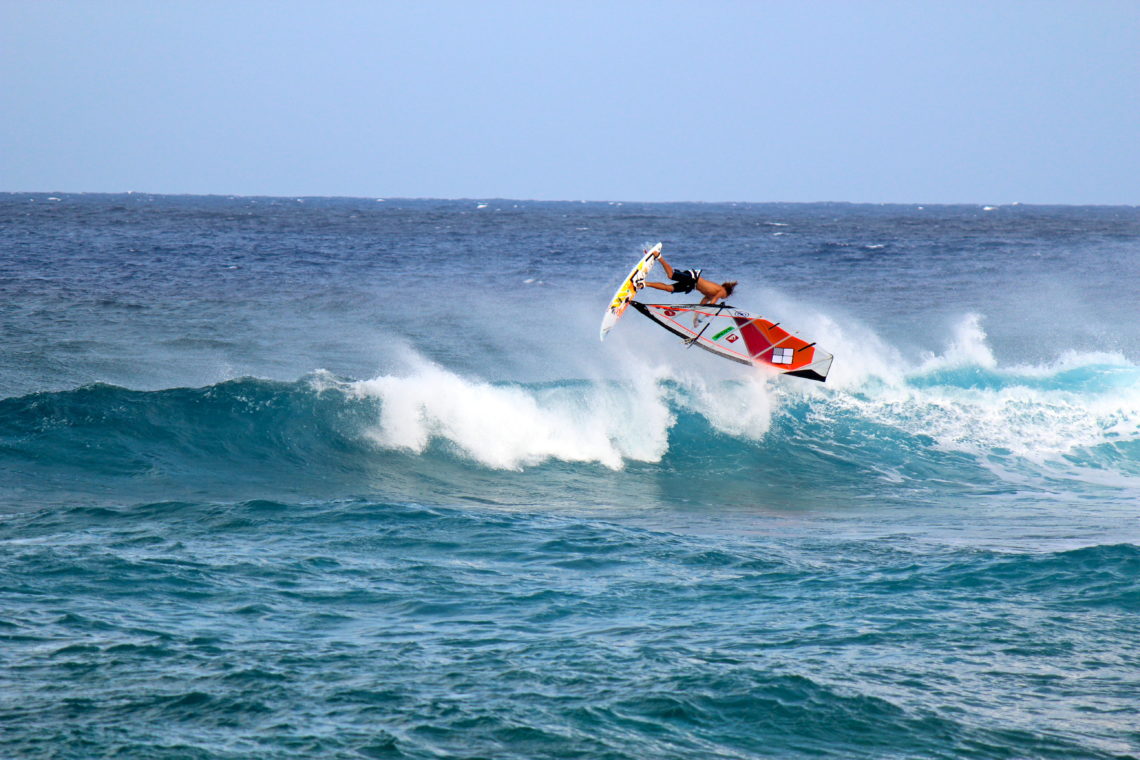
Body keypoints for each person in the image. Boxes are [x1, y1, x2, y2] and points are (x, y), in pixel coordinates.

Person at [643, 251, 737, 306]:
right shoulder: (722, 290)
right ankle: (658, 256)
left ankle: (644, 283)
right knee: (671, 275)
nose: (724, 298)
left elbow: (701, 307)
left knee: (669, 288)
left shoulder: (710, 296)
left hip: (691, 285)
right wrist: (714, 307)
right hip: (693, 278)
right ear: (727, 293)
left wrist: (696, 319)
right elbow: (714, 301)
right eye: (727, 297)